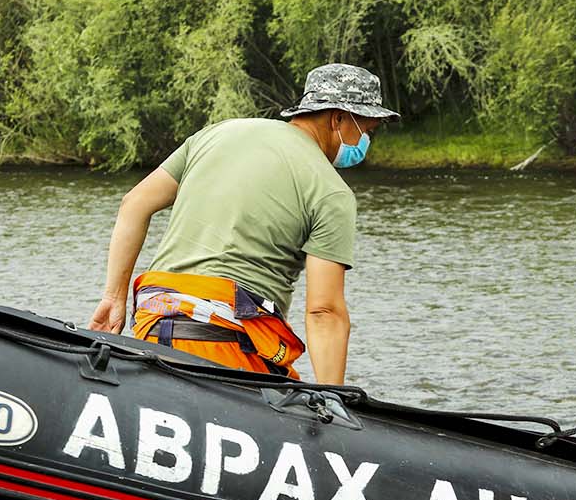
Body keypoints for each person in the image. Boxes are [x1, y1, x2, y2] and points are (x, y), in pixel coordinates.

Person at [86, 64, 397, 385]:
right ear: (338, 119)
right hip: (227, 339)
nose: (366, 141)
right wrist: (333, 401)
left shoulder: (216, 134)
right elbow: (324, 312)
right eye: (367, 130)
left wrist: (114, 297)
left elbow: (134, 204)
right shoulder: (331, 191)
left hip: (154, 322)